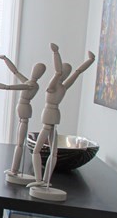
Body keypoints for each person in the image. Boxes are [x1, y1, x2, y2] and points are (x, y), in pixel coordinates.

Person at [29, 44, 96, 190]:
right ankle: (44, 180)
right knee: (53, 152)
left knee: (38, 150)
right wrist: (90, 60)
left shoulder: (54, 86)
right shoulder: (62, 87)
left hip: (48, 116)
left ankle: (41, 179)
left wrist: (56, 52)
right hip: (54, 116)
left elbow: (61, 71)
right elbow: (77, 72)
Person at [0, 56, 46, 182]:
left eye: (36, 70)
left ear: (39, 74)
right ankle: (14, 169)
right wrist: (6, 59)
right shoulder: (29, 82)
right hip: (22, 109)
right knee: (19, 141)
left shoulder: (31, 85)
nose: (33, 72)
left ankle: (15, 169)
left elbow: (7, 87)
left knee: (20, 142)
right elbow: (15, 72)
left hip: (24, 109)